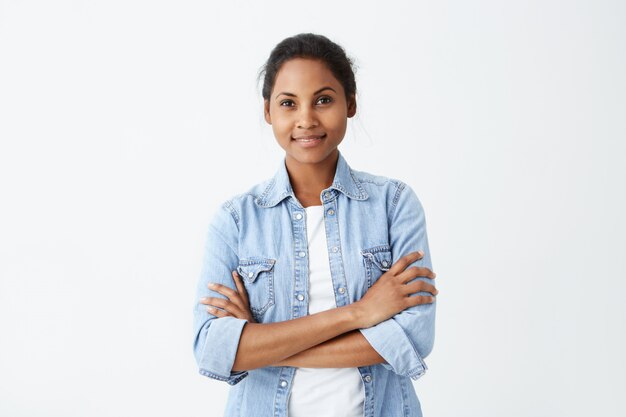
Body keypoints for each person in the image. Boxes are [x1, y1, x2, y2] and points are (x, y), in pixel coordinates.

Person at [192, 33, 438, 417]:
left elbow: (413, 336)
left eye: (323, 100)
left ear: (350, 103)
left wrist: (260, 346)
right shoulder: (236, 220)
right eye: (288, 103)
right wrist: (359, 314)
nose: (306, 119)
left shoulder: (393, 204)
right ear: (268, 112)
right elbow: (213, 349)